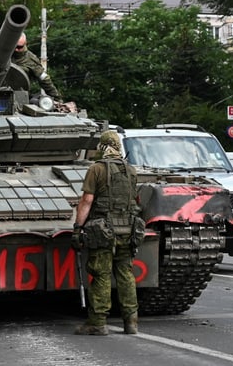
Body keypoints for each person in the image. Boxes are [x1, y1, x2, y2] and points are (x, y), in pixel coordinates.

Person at [71, 130, 144, 335]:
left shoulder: (97, 169)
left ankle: (97, 323)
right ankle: (131, 322)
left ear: (102, 147)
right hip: (128, 230)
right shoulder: (130, 170)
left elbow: (87, 201)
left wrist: (77, 228)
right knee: (126, 274)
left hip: (104, 231)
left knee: (101, 274)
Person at [12, 32, 61, 100]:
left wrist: (56, 98)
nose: (16, 49)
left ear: (25, 43)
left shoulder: (31, 60)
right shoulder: (0, 55)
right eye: (14, 46)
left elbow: (44, 79)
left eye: (19, 47)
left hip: (20, 96)